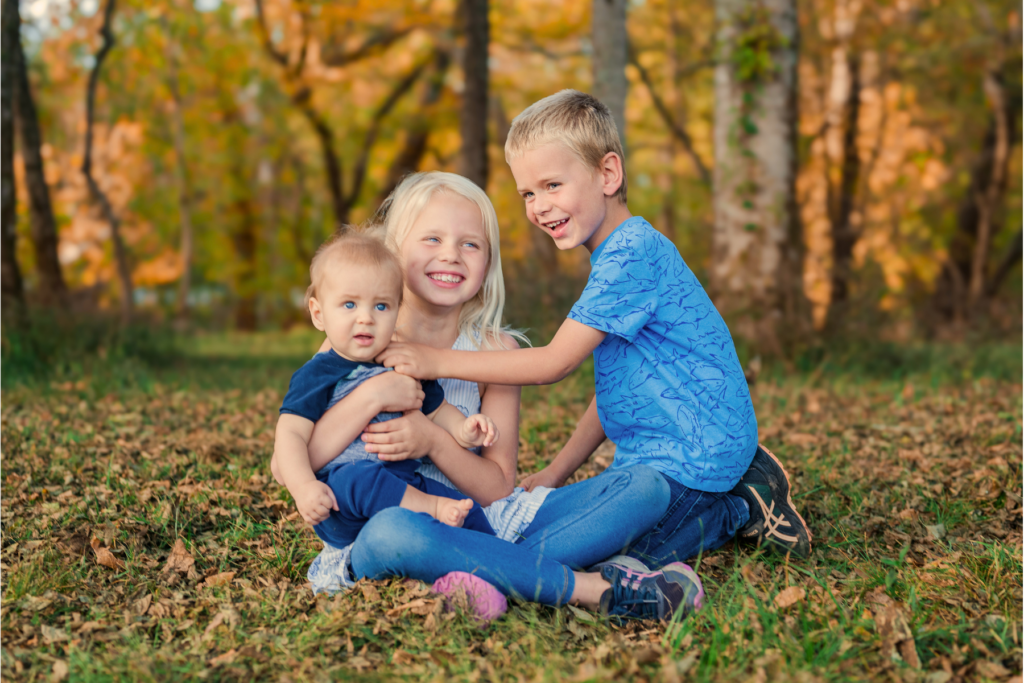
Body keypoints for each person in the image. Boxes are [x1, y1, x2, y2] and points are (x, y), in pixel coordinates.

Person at [378, 90, 812, 576]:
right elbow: (615, 393)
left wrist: (433, 361)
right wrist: (555, 473)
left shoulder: (632, 256)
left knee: (612, 559)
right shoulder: (614, 259)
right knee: (584, 532)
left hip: (696, 453)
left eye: (552, 185)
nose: (540, 206)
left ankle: (741, 503)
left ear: (608, 174)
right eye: (528, 193)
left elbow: (553, 364)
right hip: (652, 459)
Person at [296, 171, 700, 622]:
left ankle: (481, 573)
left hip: (487, 522)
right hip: (386, 527)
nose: (451, 254)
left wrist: (432, 440)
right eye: (431, 238)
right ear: (394, 251)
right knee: (395, 531)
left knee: (644, 488)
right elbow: (296, 456)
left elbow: (495, 488)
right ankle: (587, 587)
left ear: (488, 262)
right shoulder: (357, 339)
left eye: (471, 244)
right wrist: (373, 396)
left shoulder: (496, 352)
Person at [272, 231, 500, 550]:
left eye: (381, 306)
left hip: (402, 485)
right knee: (360, 479)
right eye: (349, 304)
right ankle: (431, 509)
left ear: (396, 312)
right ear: (318, 313)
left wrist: (464, 430)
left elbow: (437, 411)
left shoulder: (402, 363)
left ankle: (500, 554)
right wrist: (304, 488)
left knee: (465, 507)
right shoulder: (317, 373)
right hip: (341, 501)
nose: (365, 318)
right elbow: (290, 435)